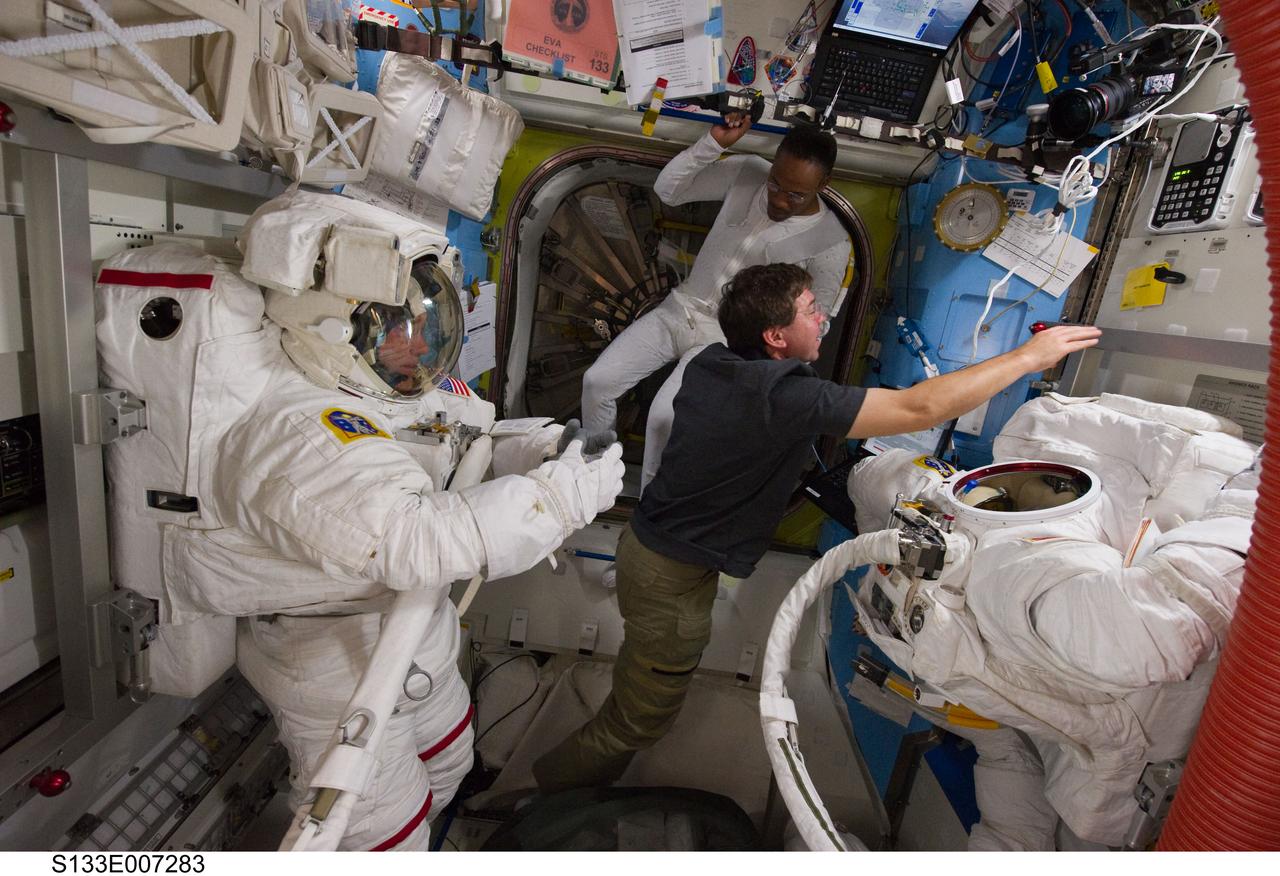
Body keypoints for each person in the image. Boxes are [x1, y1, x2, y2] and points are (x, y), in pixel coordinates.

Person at [145, 190, 625, 850]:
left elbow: (470, 438)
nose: (421, 342)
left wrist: (547, 447)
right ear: (334, 327)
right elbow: (413, 536)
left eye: (427, 321)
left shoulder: (389, 389)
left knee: (451, 766)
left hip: (410, 626)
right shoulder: (297, 431)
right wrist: (559, 499)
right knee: (384, 833)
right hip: (332, 658)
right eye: (399, 326)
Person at [532, 262, 1101, 793]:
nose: (823, 317)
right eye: (810, 310)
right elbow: (917, 410)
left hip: (656, 556)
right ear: (775, 337)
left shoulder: (715, 362)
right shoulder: (781, 396)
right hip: (667, 578)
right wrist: (1028, 357)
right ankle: (543, 798)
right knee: (638, 721)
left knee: (645, 678)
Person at [578, 119, 853, 445]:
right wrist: (713, 143)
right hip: (679, 310)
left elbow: (817, 324)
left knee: (665, 419)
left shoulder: (831, 241)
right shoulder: (748, 172)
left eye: (796, 195)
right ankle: (592, 466)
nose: (780, 200)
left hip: (726, 341)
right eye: (775, 184)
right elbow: (668, 190)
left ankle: (654, 482)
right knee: (597, 382)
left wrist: (769, 368)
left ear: (823, 183)